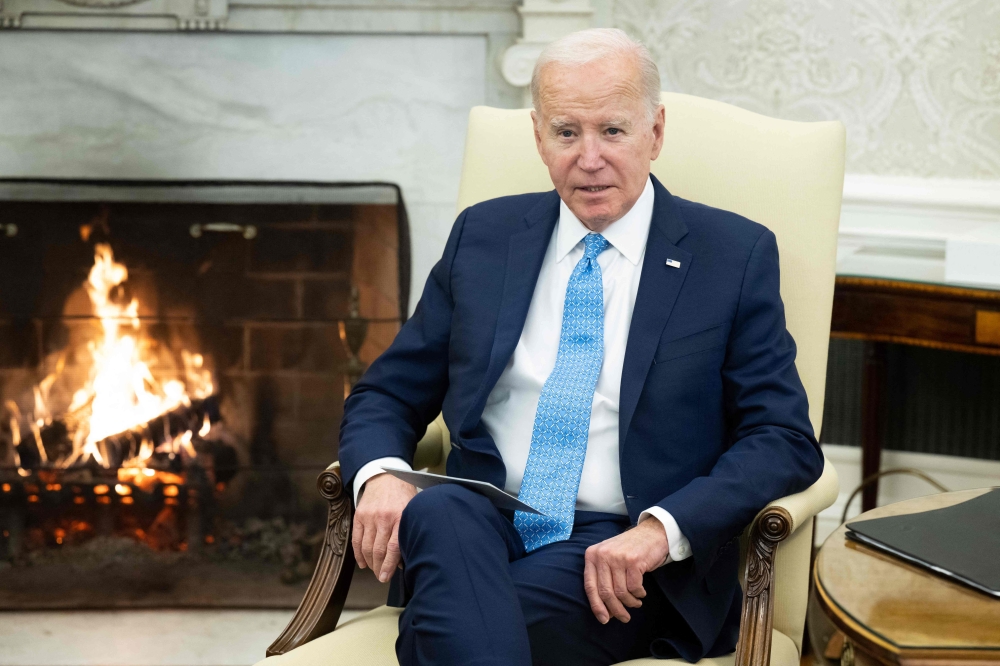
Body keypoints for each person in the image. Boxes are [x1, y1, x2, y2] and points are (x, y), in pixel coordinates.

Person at [339, 28, 824, 666]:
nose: (588, 158)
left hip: (616, 552)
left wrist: (661, 531)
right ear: (539, 137)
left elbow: (782, 438)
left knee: (445, 627)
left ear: (656, 131)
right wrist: (378, 478)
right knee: (441, 509)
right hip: (479, 523)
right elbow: (387, 393)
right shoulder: (483, 237)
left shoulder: (731, 256)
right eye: (567, 133)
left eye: (613, 132)